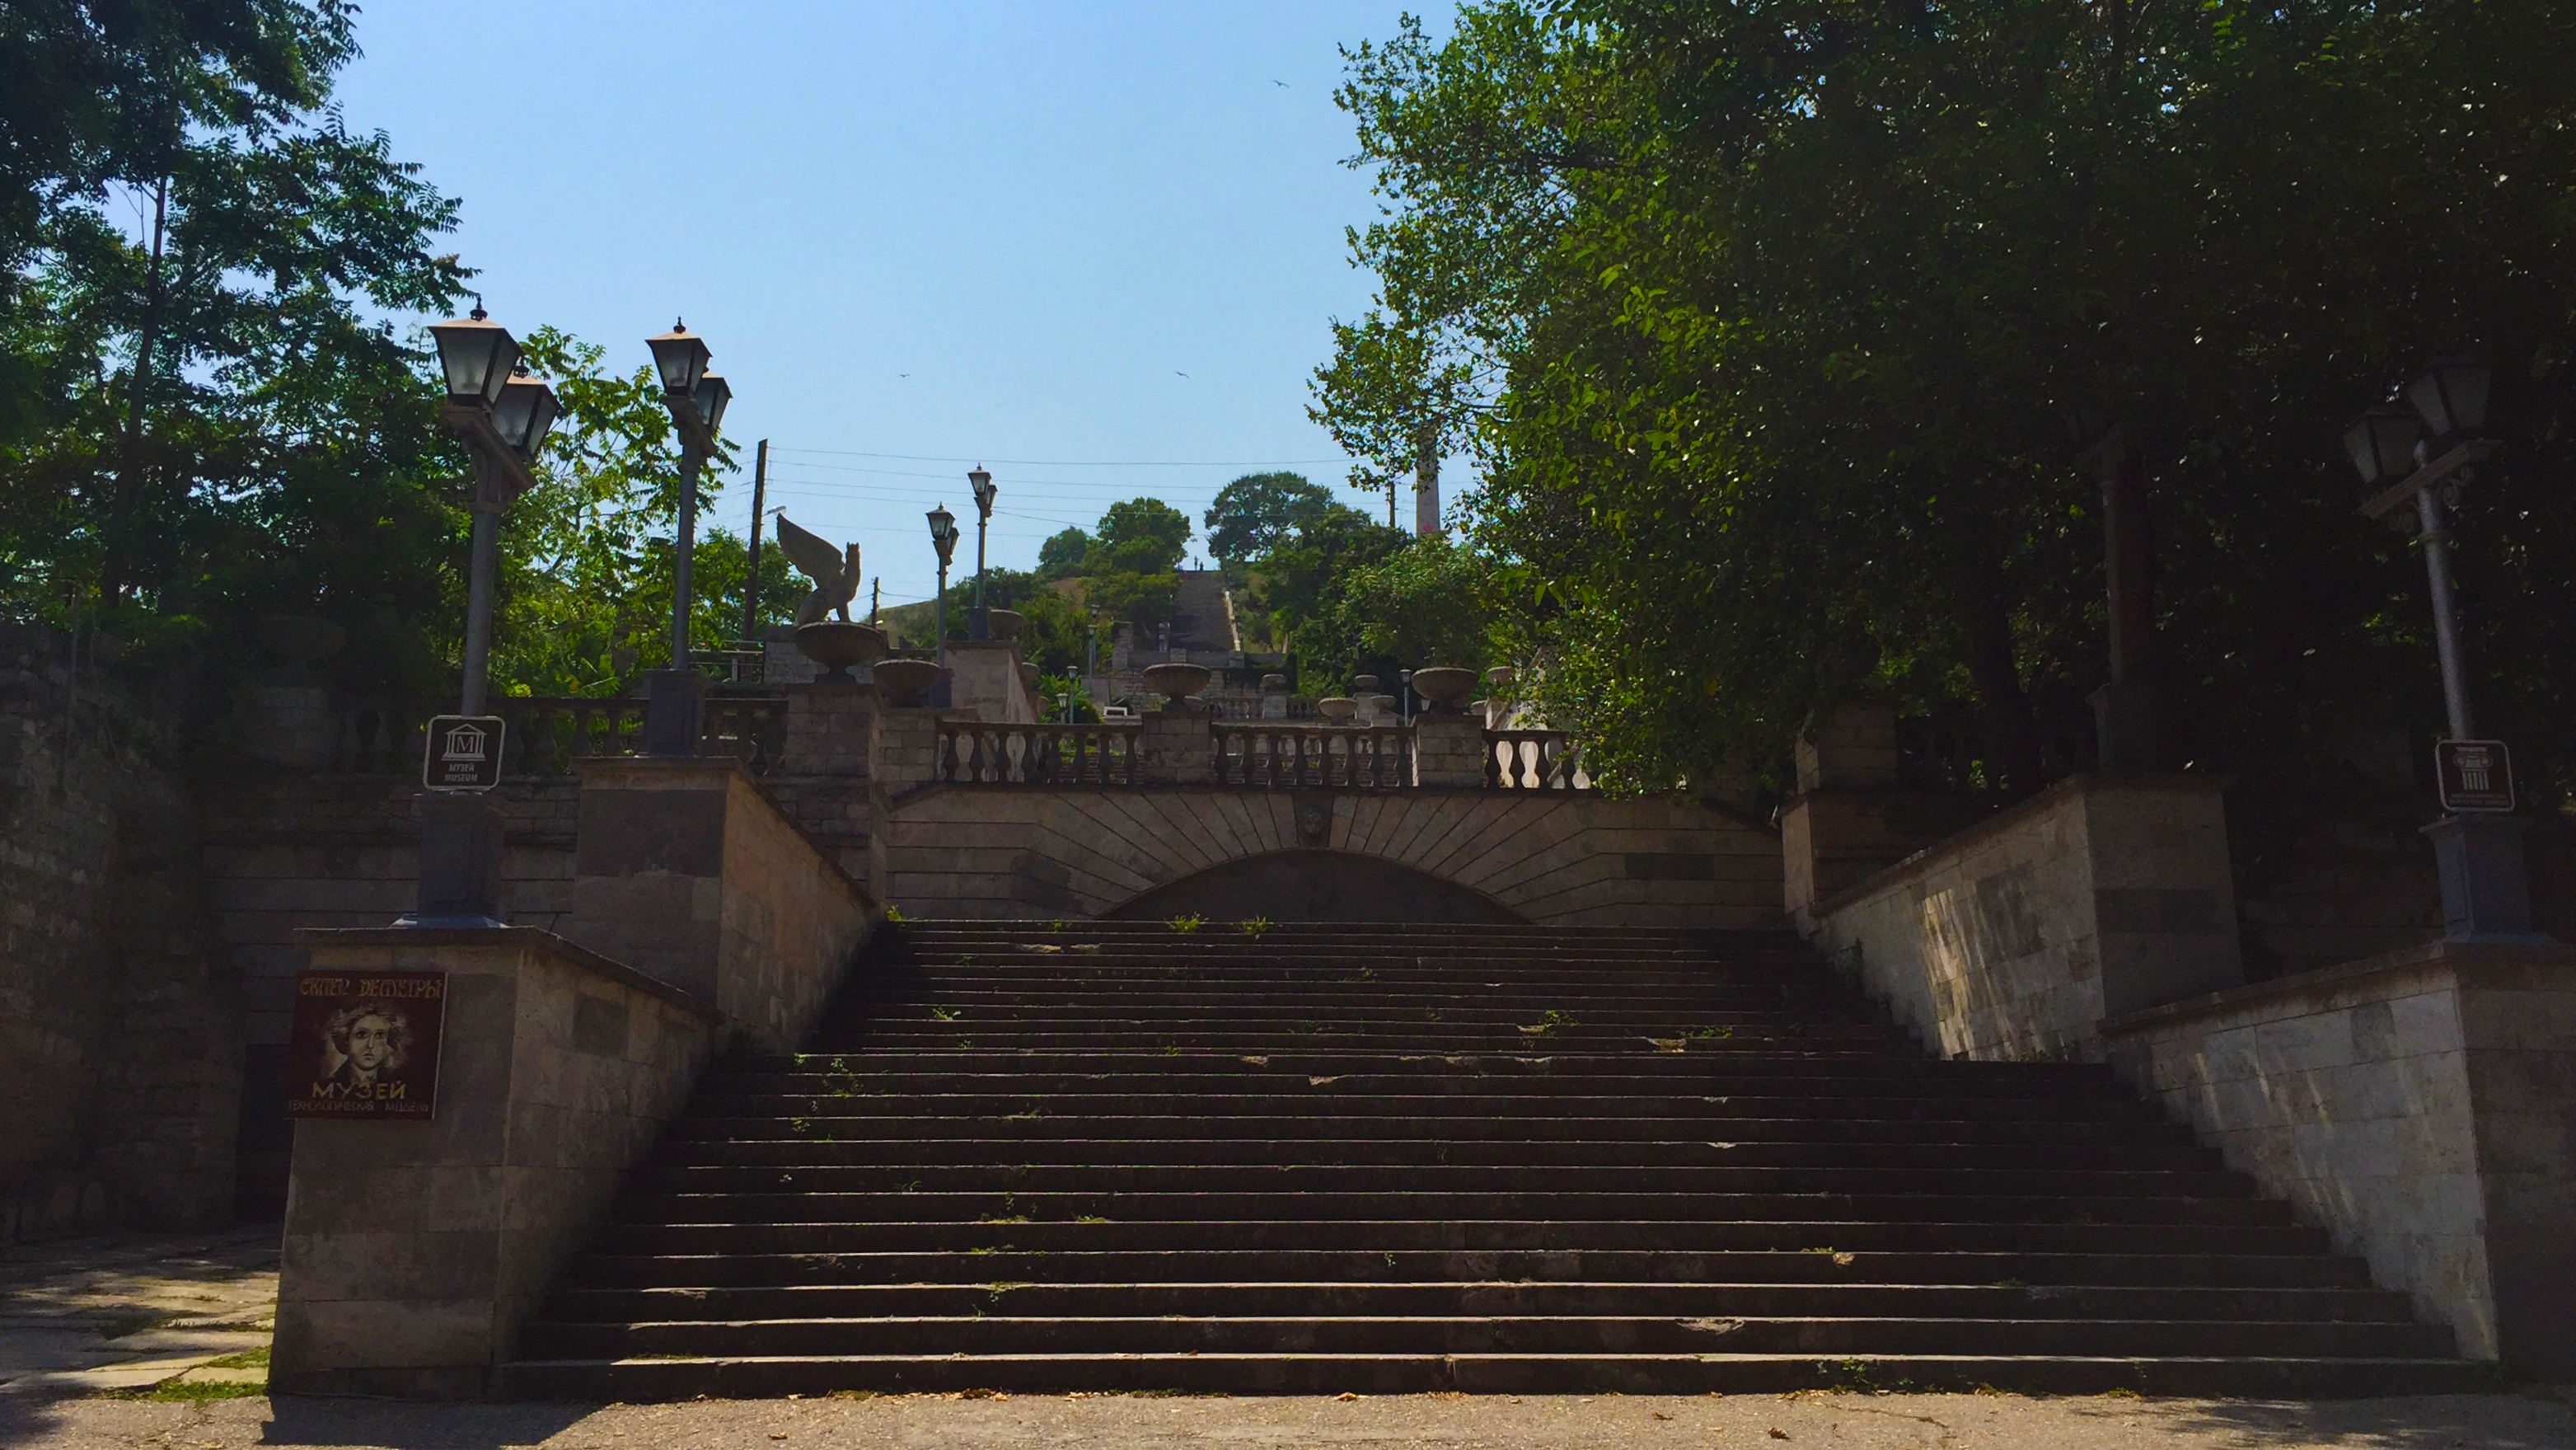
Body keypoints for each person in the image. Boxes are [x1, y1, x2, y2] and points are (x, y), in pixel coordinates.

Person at [317, 1000, 411, 1095]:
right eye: (361, 1034)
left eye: (380, 1035)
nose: (370, 1045)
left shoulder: (399, 1083)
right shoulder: (329, 1085)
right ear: (346, 1039)